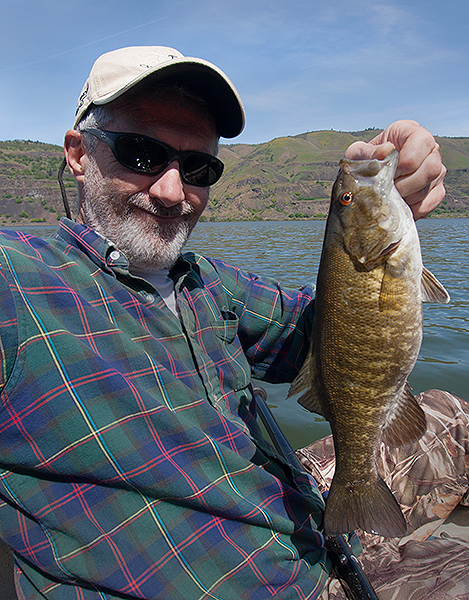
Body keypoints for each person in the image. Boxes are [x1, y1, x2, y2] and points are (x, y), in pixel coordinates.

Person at [0, 45, 466, 600]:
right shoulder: (18, 279)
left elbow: (324, 331)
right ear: (78, 153)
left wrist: (397, 186)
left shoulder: (207, 282)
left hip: (303, 517)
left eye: (199, 167)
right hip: (270, 583)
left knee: (453, 412)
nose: (173, 191)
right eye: (141, 153)